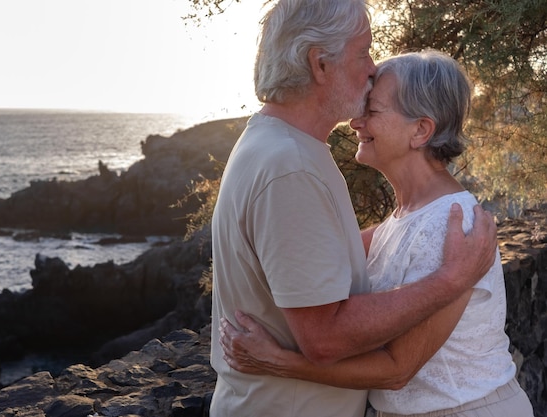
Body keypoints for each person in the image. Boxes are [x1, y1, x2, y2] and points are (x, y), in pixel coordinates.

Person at [210, 0, 499, 415]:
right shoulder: (291, 167)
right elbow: (325, 337)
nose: (370, 67)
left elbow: (328, 251)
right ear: (320, 65)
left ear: (422, 130)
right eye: (363, 51)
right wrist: (451, 279)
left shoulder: (278, 146)